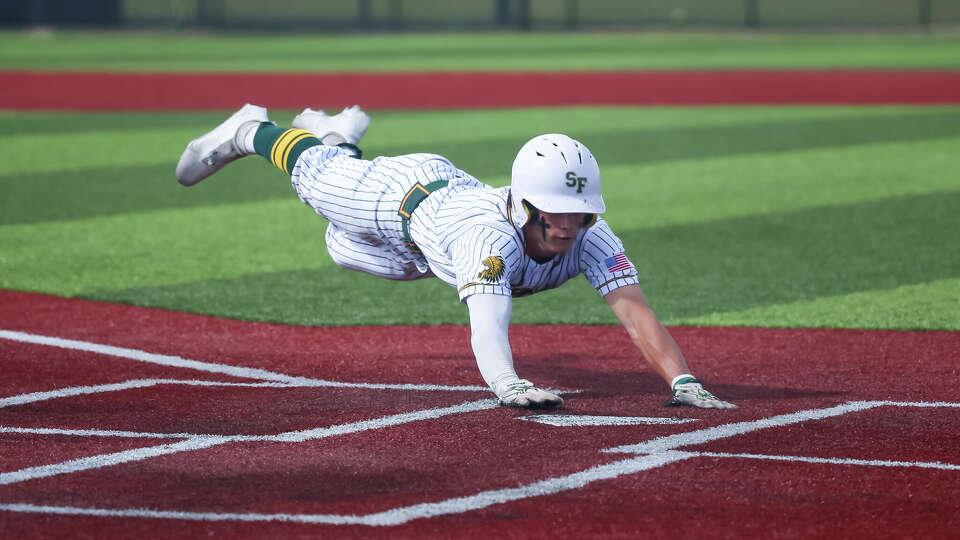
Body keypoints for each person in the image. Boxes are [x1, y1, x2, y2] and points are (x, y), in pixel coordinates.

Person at [176, 104, 736, 410]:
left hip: (422, 244)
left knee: (340, 250)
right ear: (527, 206)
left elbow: (633, 308)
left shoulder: (593, 233)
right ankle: (253, 128)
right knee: (321, 182)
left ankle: (336, 134)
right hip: (397, 200)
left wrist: (682, 380)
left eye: (580, 211)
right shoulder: (488, 241)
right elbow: (488, 325)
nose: (569, 224)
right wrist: (508, 383)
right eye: (555, 211)